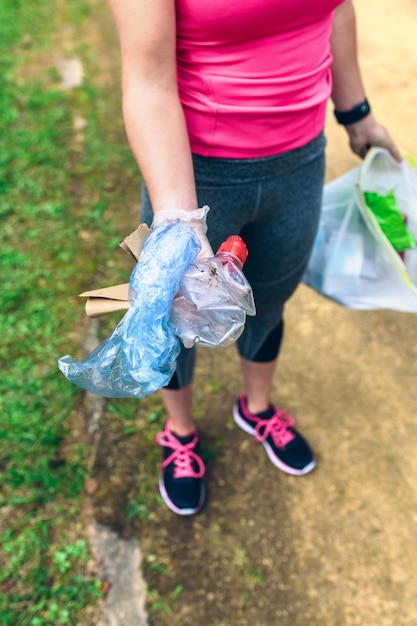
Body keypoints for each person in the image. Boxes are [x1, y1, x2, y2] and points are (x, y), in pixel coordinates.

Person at [108, 0, 401, 516]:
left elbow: (336, 10)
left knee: (270, 298)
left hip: (300, 162)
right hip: (196, 173)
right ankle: (180, 433)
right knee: (174, 316)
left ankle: (256, 408)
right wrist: (178, 220)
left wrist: (357, 115)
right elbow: (148, 82)